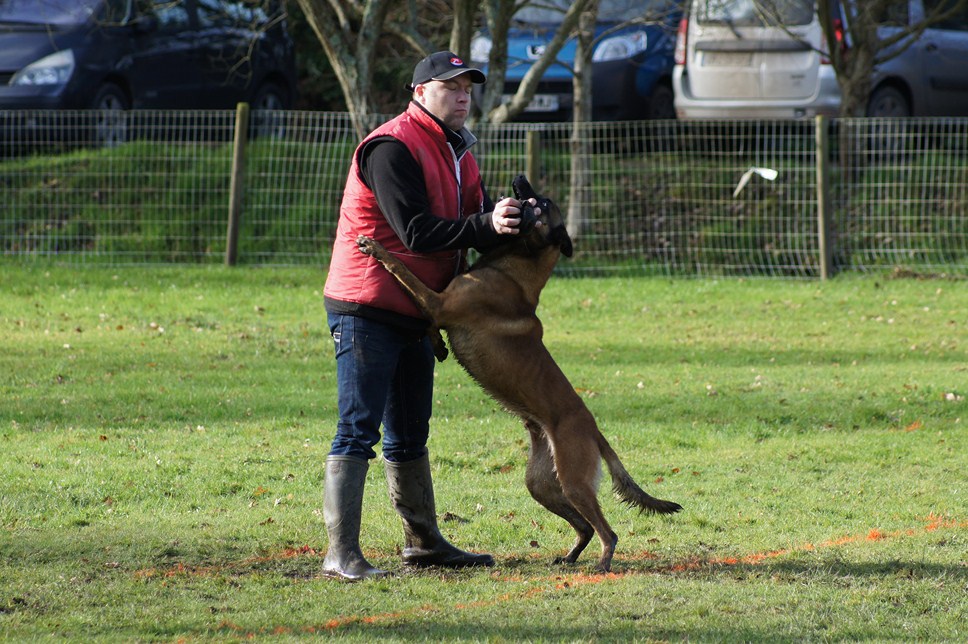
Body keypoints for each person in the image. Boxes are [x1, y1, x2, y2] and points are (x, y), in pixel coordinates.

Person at [321, 51, 538, 581]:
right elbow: (415, 232)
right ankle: (340, 554)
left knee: (410, 434)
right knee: (358, 429)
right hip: (367, 303)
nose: (463, 96)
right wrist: (484, 222)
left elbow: (474, 222)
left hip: (418, 309)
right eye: (451, 87)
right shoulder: (392, 146)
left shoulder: (459, 150)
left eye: (469, 88)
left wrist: (509, 221)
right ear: (420, 92)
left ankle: (422, 543)